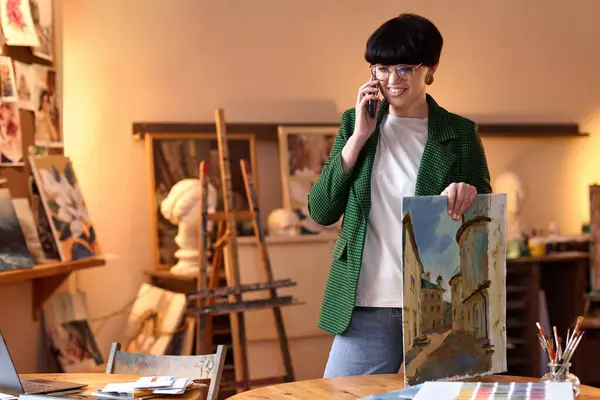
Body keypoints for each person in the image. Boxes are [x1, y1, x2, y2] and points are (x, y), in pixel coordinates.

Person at [307, 13, 492, 377]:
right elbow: (321, 210)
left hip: (440, 310)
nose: (392, 80)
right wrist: (359, 137)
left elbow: (485, 219)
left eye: (405, 68)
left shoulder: (461, 133)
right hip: (366, 305)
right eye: (380, 68)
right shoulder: (353, 124)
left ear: (431, 67)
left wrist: (468, 192)